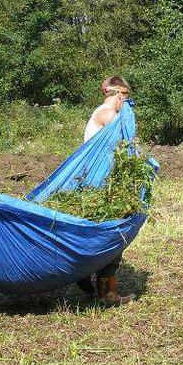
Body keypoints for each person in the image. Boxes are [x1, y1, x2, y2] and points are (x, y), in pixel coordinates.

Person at [75, 76, 135, 305]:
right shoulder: (108, 115)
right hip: (102, 184)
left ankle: (81, 274)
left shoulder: (101, 112)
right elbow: (123, 147)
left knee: (97, 231)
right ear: (120, 94)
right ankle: (107, 294)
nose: (125, 103)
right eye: (126, 98)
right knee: (114, 234)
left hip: (96, 181)